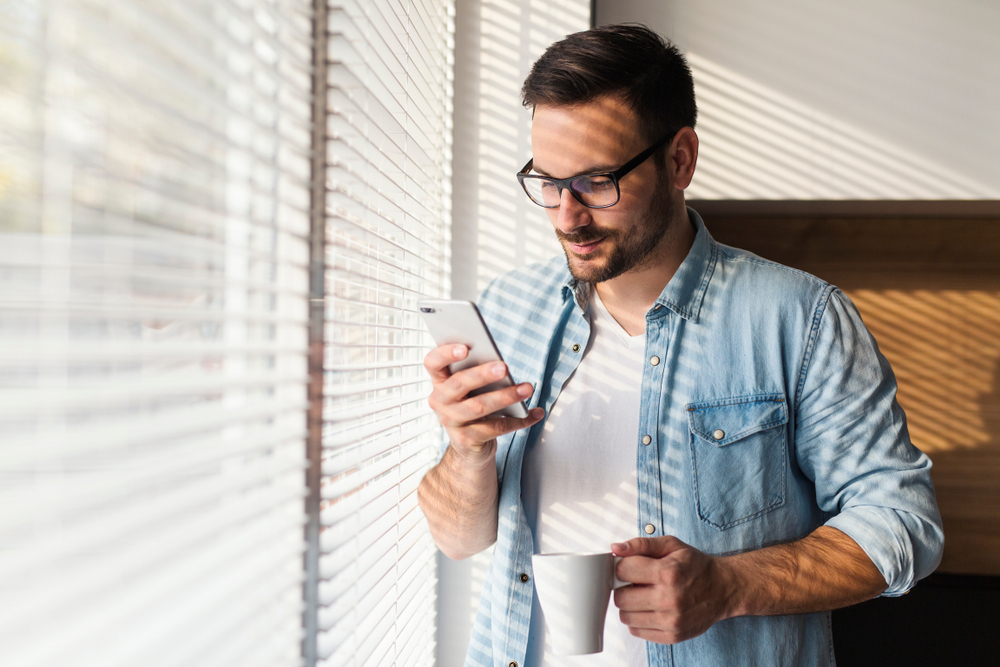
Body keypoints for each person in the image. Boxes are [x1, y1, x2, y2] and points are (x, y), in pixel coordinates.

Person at [417, 23, 943, 667]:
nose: (567, 216)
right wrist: (467, 451)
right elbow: (459, 539)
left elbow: (903, 524)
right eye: (549, 182)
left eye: (597, 182)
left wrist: (728, 586)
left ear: (680, 160)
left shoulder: (801, 319)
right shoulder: (507, 311)